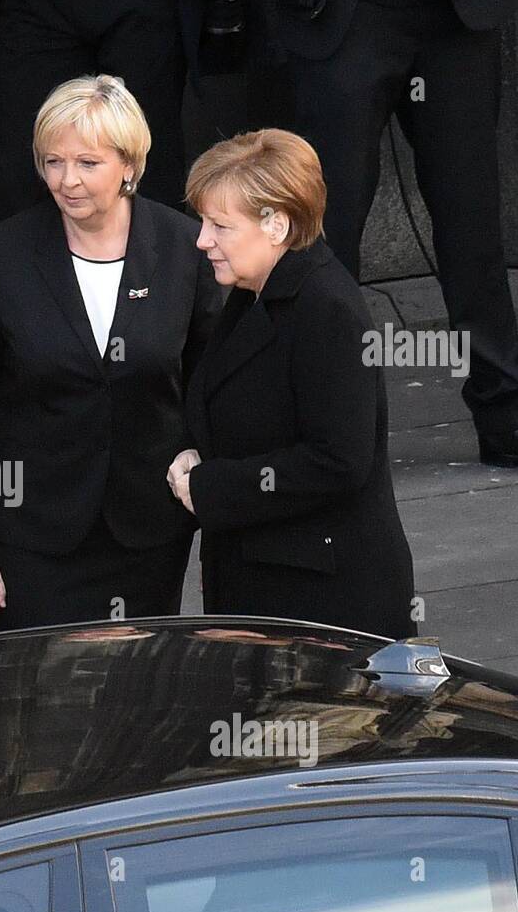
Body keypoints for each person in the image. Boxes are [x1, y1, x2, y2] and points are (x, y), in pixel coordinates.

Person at [265, 0, 518, 481]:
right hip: (343, 14)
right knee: (325, 230)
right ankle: (326, 428)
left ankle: (511, 416)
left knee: (472, 218)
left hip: (456, 12)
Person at [0, 75, 221, 632]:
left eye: (87, 164)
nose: (66, 181)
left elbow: (208, 381)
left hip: (148, 532)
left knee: (138, 697)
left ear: (129, 164)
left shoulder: (183, 248)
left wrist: (201, 463)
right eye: (52, 162)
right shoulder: (2, 255)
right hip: (32, 538)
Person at [170, 129, 416, 639]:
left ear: (276, 224)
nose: (202, 240)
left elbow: (340, 460)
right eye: (203, 222)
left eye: (220, 225)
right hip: (272, 580)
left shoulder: (326, 308)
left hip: (324, 602)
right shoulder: (253, 291)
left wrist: (210, 486)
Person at [0, 0, 208, 225]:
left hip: (144, 4)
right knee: (18, 177)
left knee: (145, 161)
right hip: (36, 5)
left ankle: (155, 283)